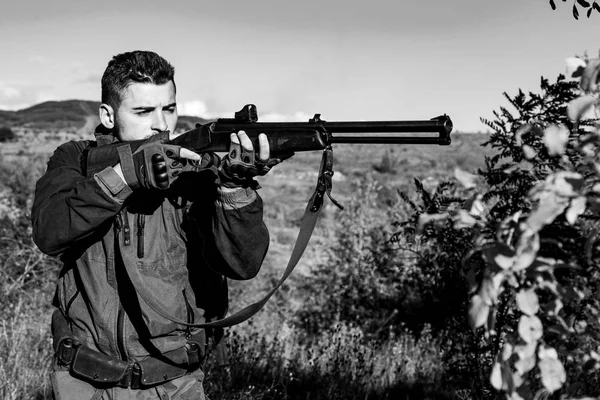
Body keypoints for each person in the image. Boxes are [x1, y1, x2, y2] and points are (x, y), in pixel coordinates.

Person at [32, 50, 283, 400]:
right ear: (107, 114)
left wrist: (233, 189)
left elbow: (242, 265)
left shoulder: (200, 173)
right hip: (82, 381)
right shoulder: (74, 160)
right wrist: (126, 177)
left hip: (175, 384)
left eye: (169, 108)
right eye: (143, 111)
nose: (161, 124)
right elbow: (49, 231)